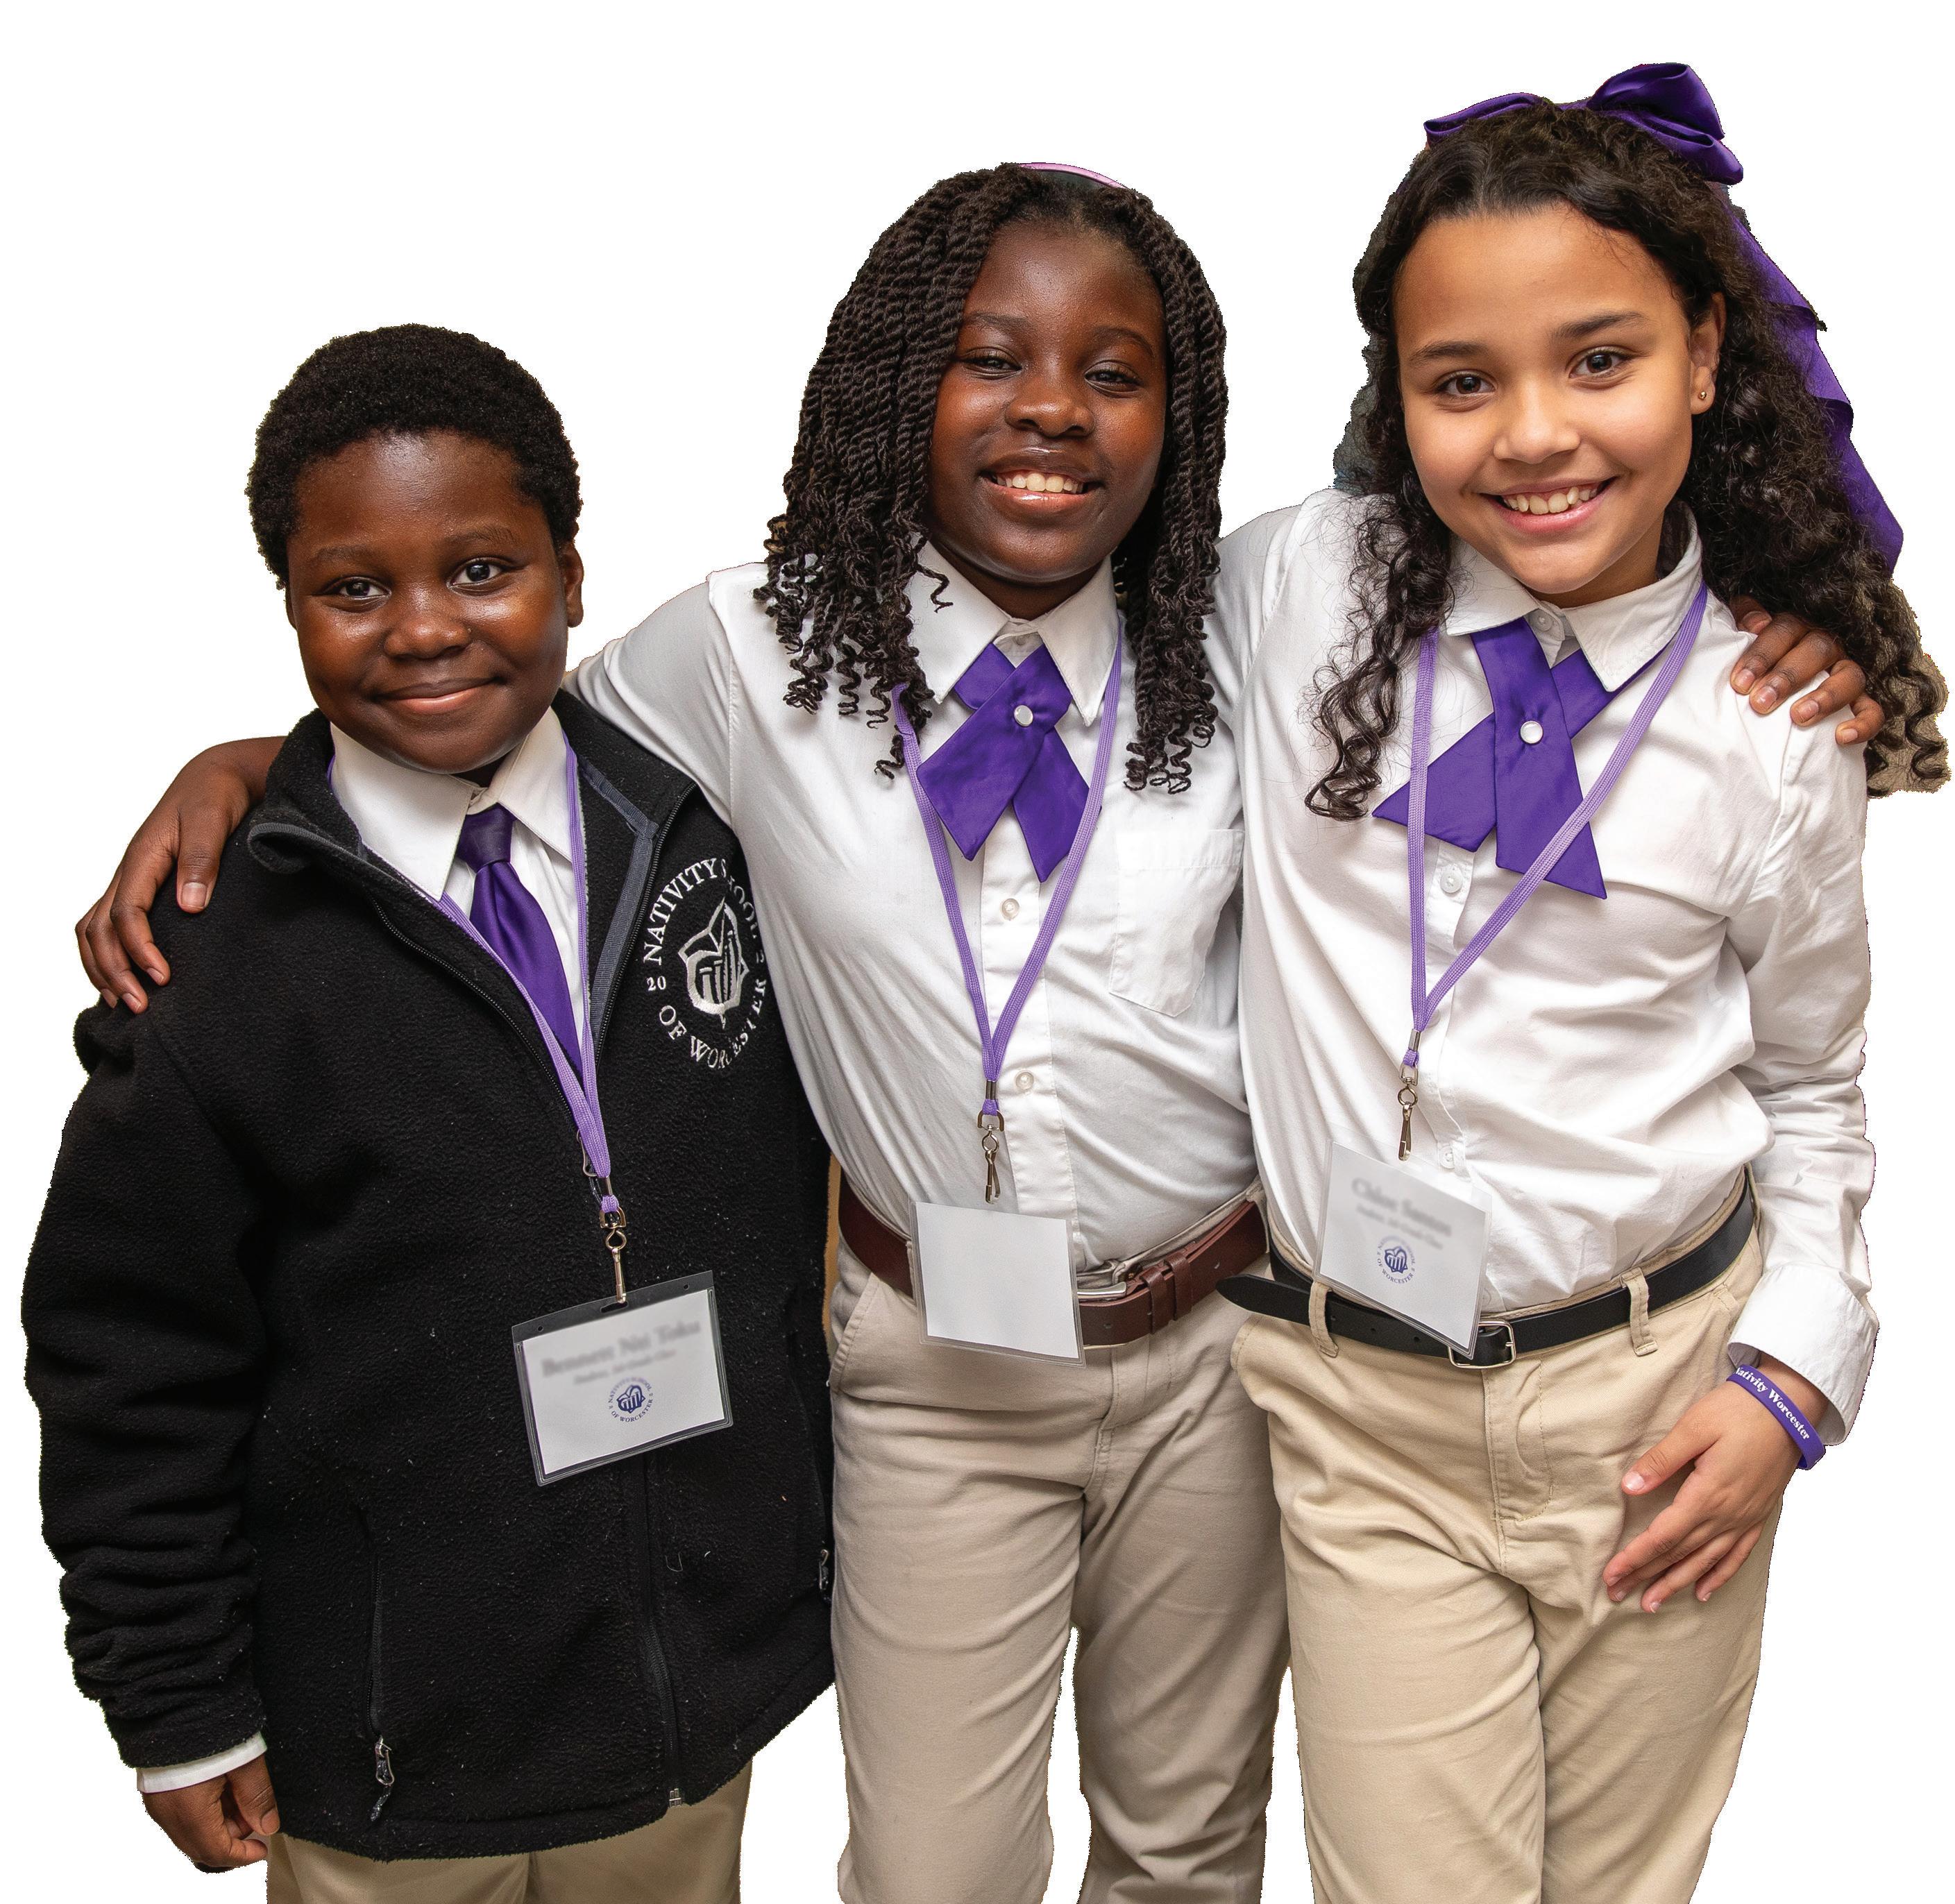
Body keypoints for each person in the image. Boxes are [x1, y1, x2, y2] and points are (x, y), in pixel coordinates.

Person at [71, 167, 1881, 1904]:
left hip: (1224, 1350)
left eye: (1113, 371)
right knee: (936, 1868)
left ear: (1178, 415)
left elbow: (1538, 558)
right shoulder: (748, 653)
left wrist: (1785, 612)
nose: (1052, 410)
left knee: (1187, 1844)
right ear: (894, 386)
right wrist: (256, 773)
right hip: (929, 1358)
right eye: (989, 358)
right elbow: (487, 711)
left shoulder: (1248, 614)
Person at [1217, 65, 1944, 1903]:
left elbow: (1810, 1089)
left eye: (1598, 360)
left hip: (1656, 1403)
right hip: (1359, 1404)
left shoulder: (1769, 719)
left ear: (1703, 352)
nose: (1533, 435)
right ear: (1394, 396)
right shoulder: (1300, 587)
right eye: (1460, 383)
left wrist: (1792, 1378)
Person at [24, 325, 834, 1902]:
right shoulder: (211, 960)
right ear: (288, 603)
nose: (422, 628)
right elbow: (130, 1362)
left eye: (480, 569)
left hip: (685, 1698)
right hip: (386, 1743)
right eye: (353, 587)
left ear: (572, 576)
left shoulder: (710, 831)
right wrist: (176, 1703)